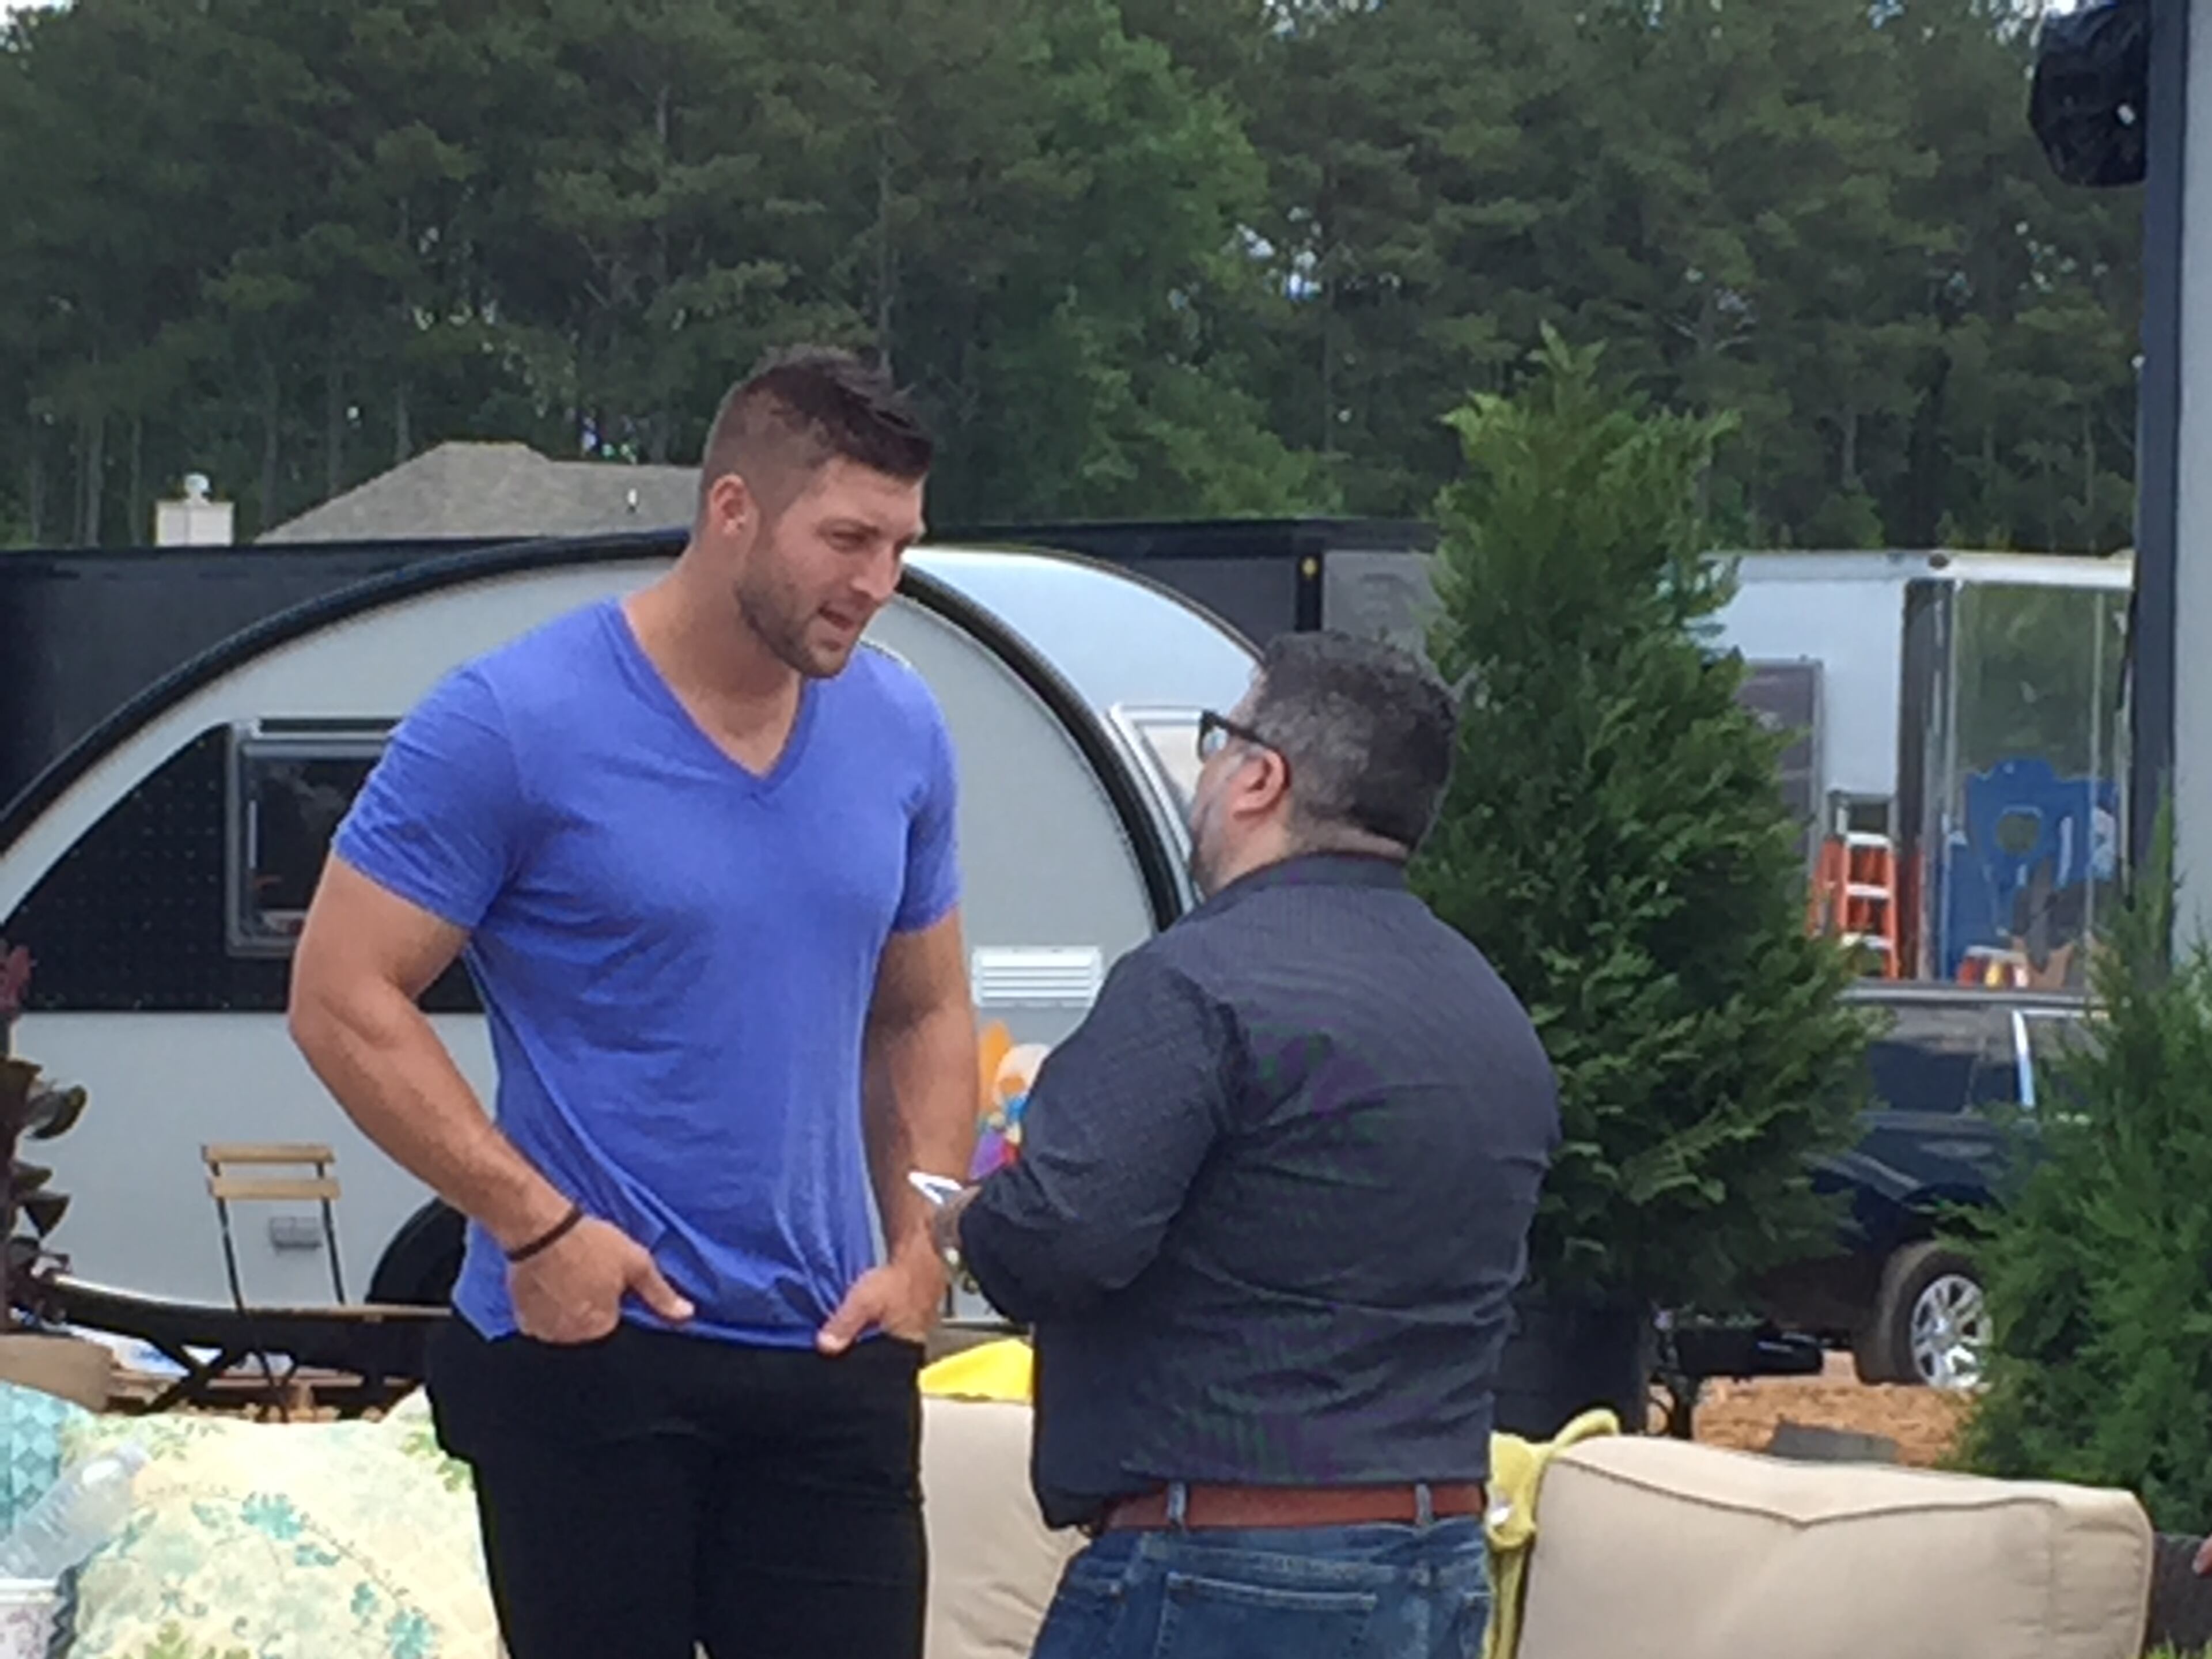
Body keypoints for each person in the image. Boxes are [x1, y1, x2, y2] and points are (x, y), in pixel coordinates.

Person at [286, 346, 980, 1659]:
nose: (877, 586)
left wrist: (922, 1246)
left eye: (900, 546)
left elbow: (927, 1011)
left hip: (833, 1349)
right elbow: (339, 994)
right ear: (733, 511)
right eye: (846, 539)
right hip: (594, 1343)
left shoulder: (902, 729)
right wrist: (537, 1232)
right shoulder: (512, 721)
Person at [932, 630, 1561, 1659]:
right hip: (1437, 1555)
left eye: (1219, 740)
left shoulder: (1192, 983)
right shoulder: (1490, 1015)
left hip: (1217, 1565)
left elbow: (1064, 1238)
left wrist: (968, 1222)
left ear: (1262, 777)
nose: (1209, 768)